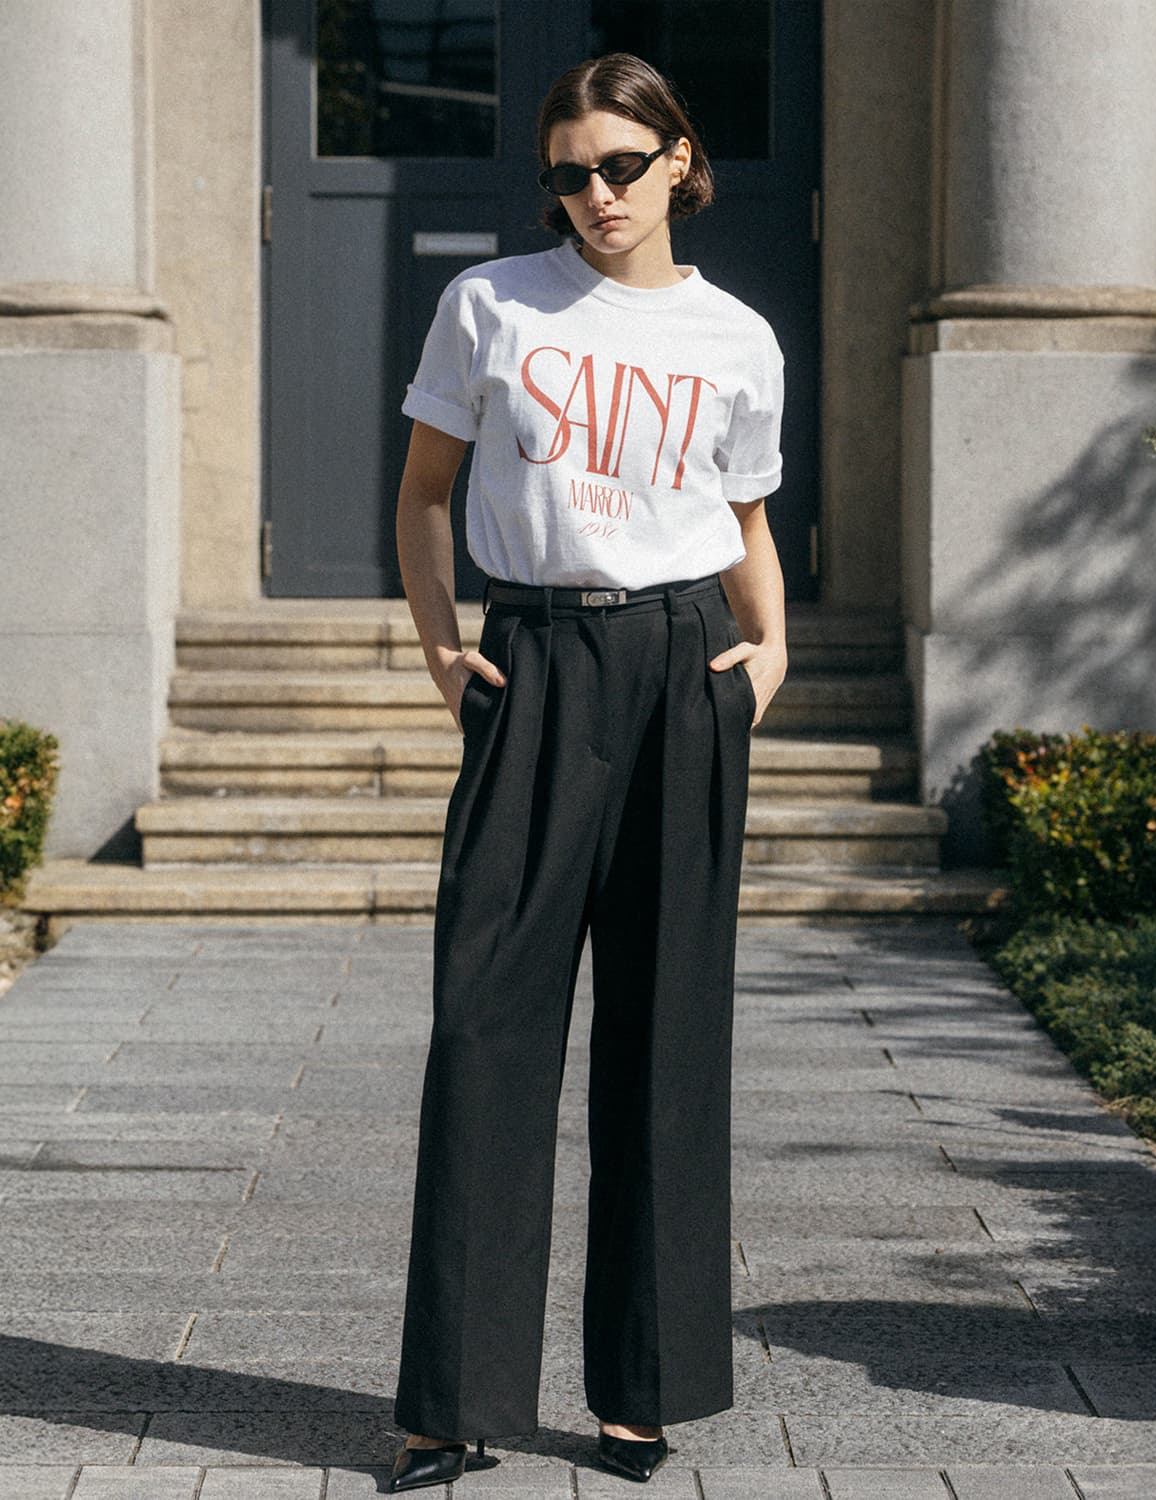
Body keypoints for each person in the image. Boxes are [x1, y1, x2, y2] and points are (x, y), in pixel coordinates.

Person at [386, 51, 787, 1492]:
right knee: (484, 1027)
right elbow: (425, 495)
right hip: (535, 662)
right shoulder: (491, 304)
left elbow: (744, 518)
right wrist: (445, 654)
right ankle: (453, 1400)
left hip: (682, 671)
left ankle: (641, 1392)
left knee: (668, 1034)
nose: (597, 195)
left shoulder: (738, 337)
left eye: (622, 165)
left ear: (680, 160)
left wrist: (771, 654)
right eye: (570, 174)